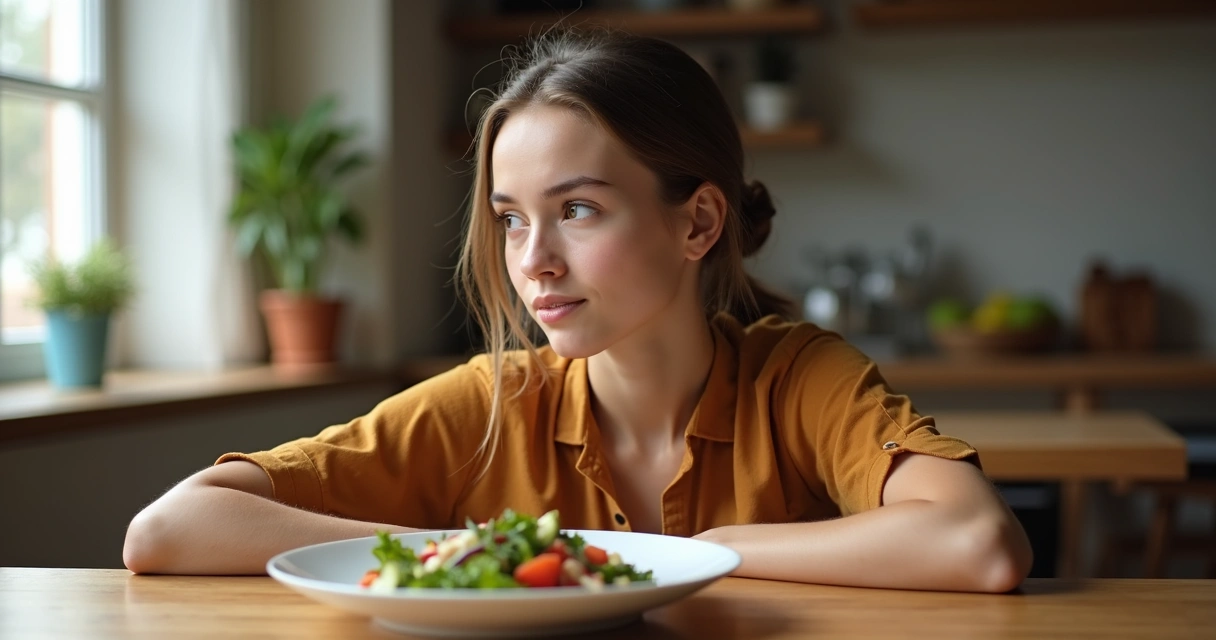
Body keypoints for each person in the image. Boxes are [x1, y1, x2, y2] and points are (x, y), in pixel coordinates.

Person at [123, 31, 1032, 592]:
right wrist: (477, 554)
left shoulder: (798, 378)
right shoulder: (487, 403)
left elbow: (975, 542)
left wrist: (696, 555)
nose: (532, 259)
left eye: (580, 210)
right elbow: (171, 529)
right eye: (512, 219)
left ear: (699, 222)